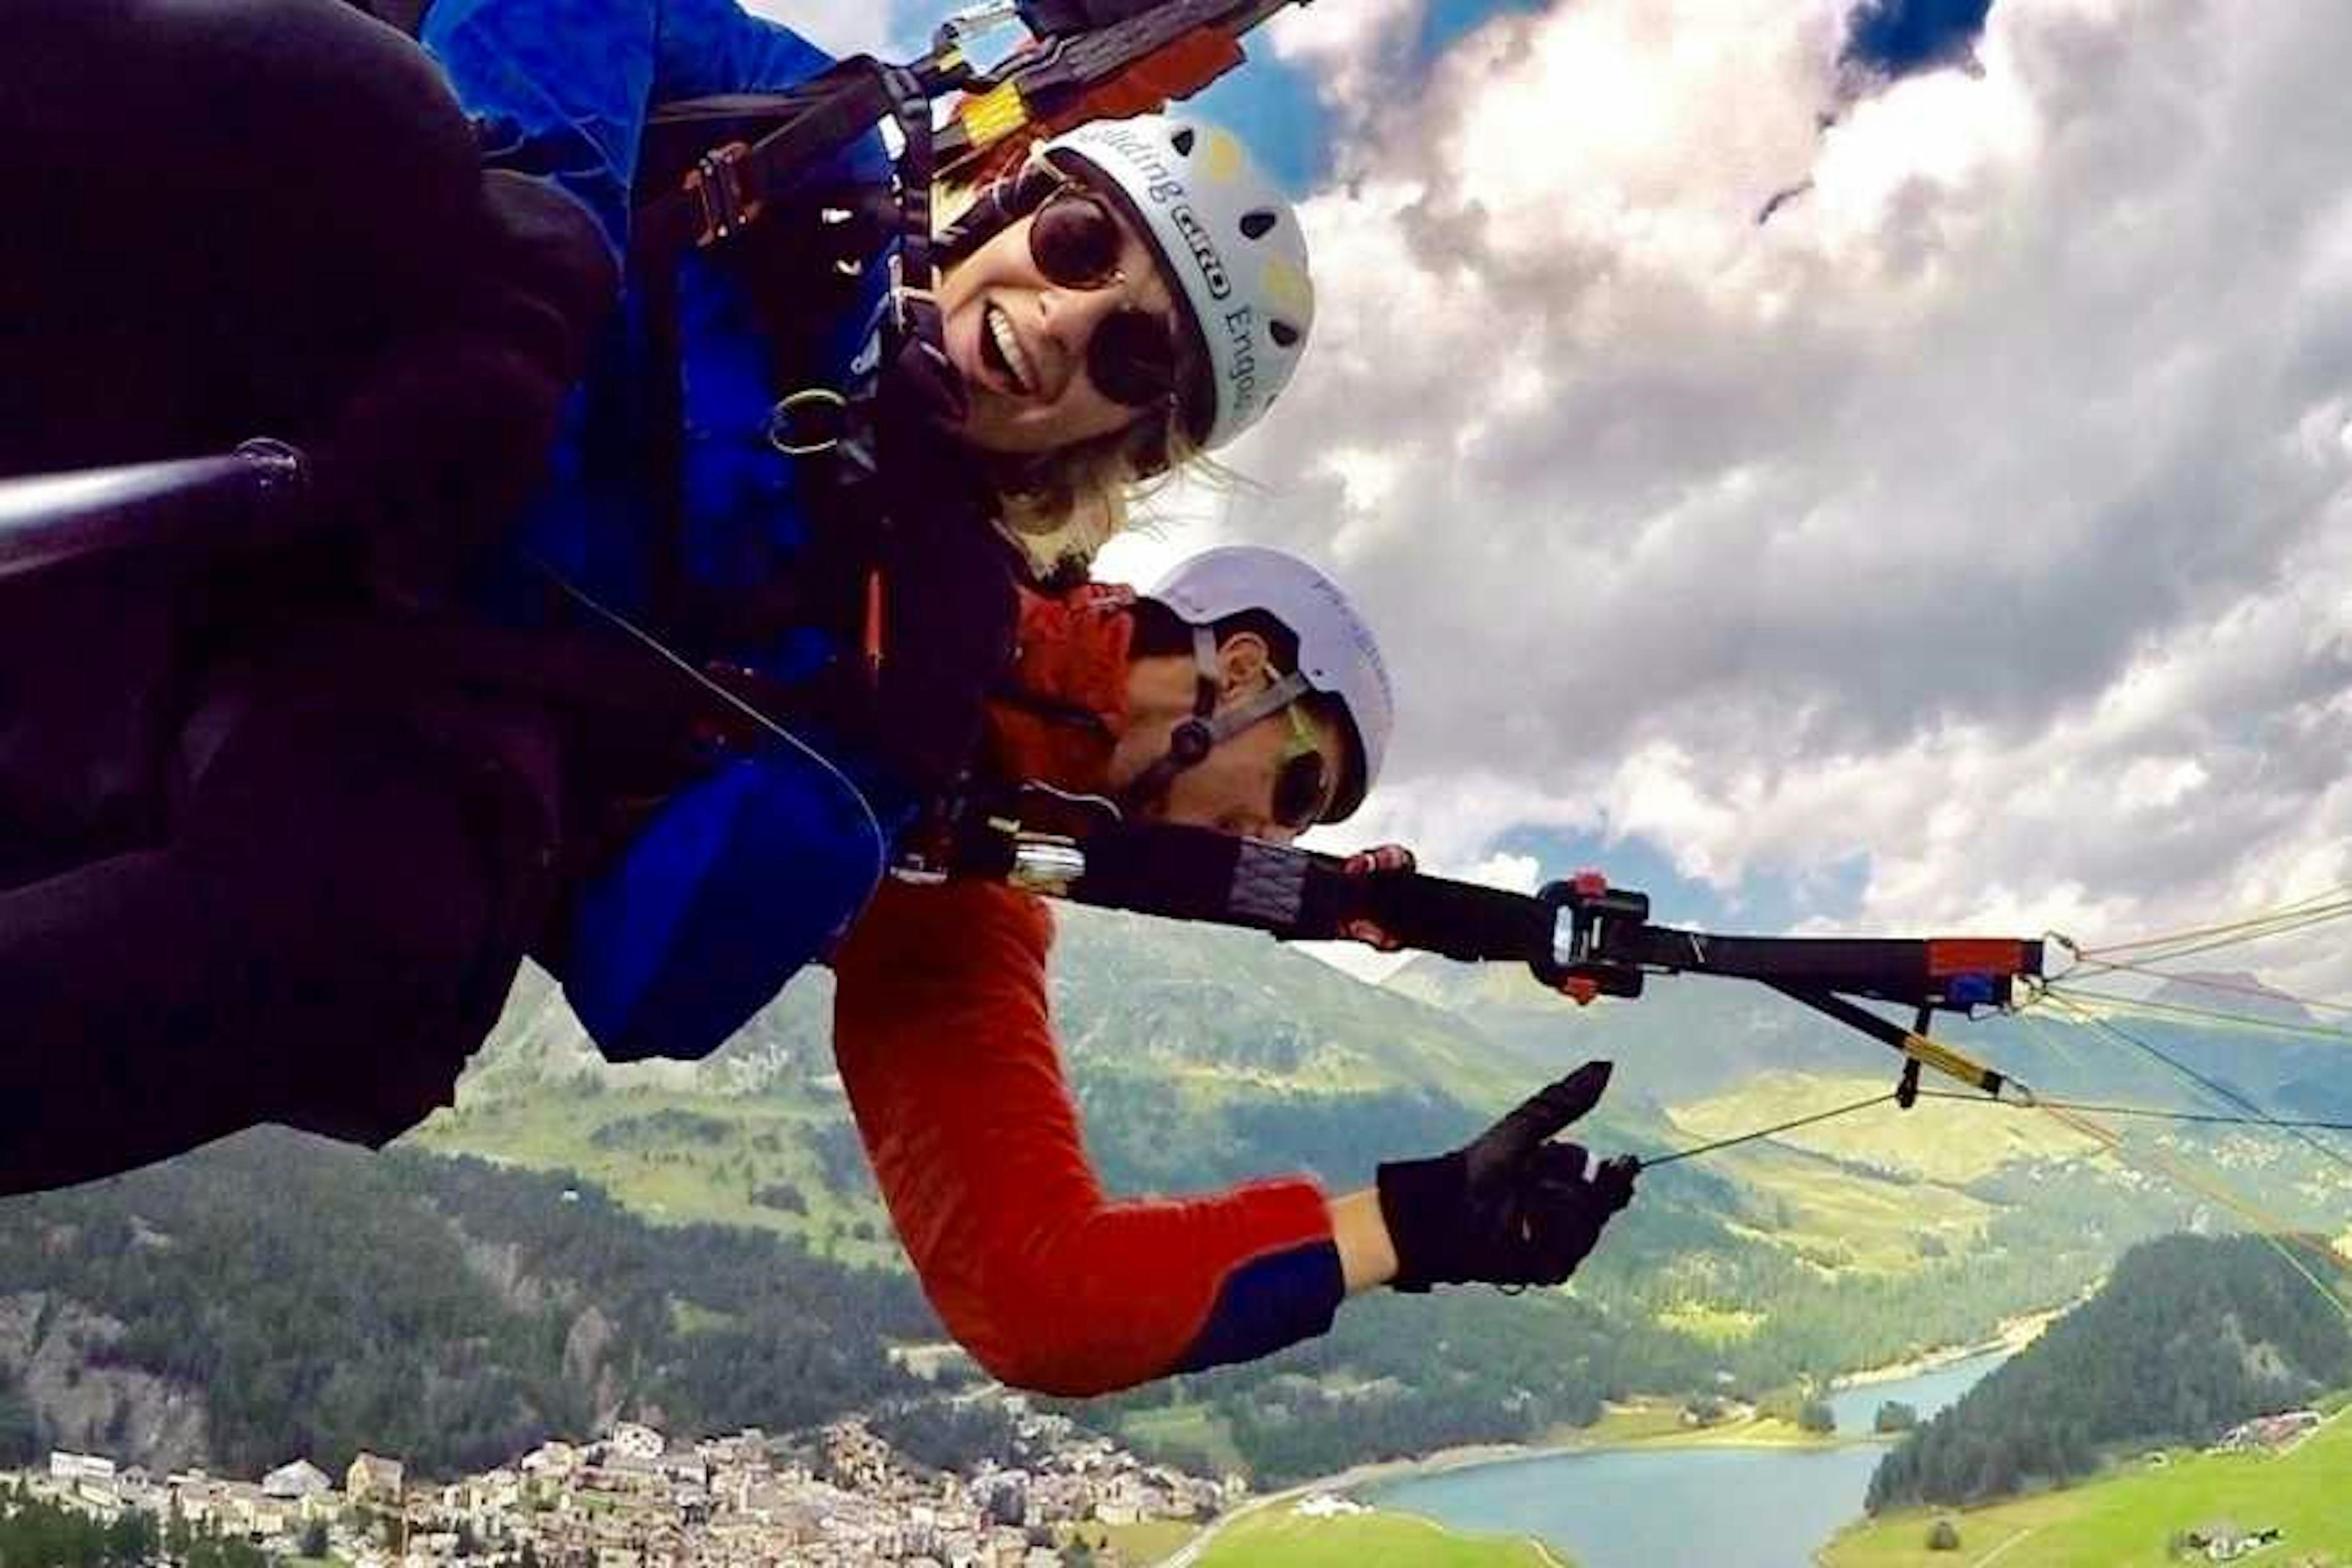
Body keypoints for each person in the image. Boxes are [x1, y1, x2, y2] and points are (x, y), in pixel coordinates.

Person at [0, 0, 1316, 1186]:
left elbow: (655, 980)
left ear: (1123, 442)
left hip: (320, 677)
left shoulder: (917, 614)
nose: (1071, 319)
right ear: (1021, 204)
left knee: (398, 932)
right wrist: (535, 266)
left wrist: (879, 749)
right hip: (264, 347)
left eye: (1134, 355)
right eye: (1082, 245)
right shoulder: (823, 151)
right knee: (370, 108)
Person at [831, 547, 1640, 1391]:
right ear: (1246, 671)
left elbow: (1046, 1301)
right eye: (1297, 791)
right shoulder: (924, 540)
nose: (1274, 841)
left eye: (1303, 831)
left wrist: (1420, 1224)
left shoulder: (957, 897)